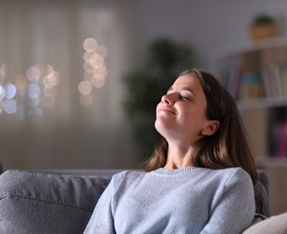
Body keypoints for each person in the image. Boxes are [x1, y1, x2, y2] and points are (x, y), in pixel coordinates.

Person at [84, 69, 257, 234]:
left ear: (210, 127)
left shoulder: (231, 182)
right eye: (169, 91)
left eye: (184, 97)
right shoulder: (122, 183)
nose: (166, 98)